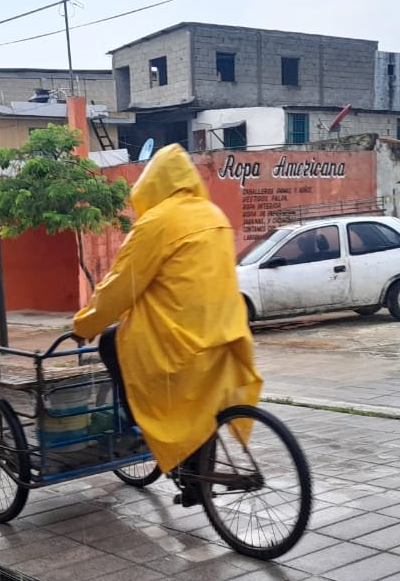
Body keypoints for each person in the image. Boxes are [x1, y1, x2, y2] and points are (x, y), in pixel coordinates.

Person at [72, 143, 263, 505]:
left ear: (154, 184)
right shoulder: (214, 215)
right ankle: (194, 480)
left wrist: (85, 324)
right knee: (203, 405)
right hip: (227, 335)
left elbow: (120, 286)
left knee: (111, 343)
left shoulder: (157, 223)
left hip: (179, 342)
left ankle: (146, 425)